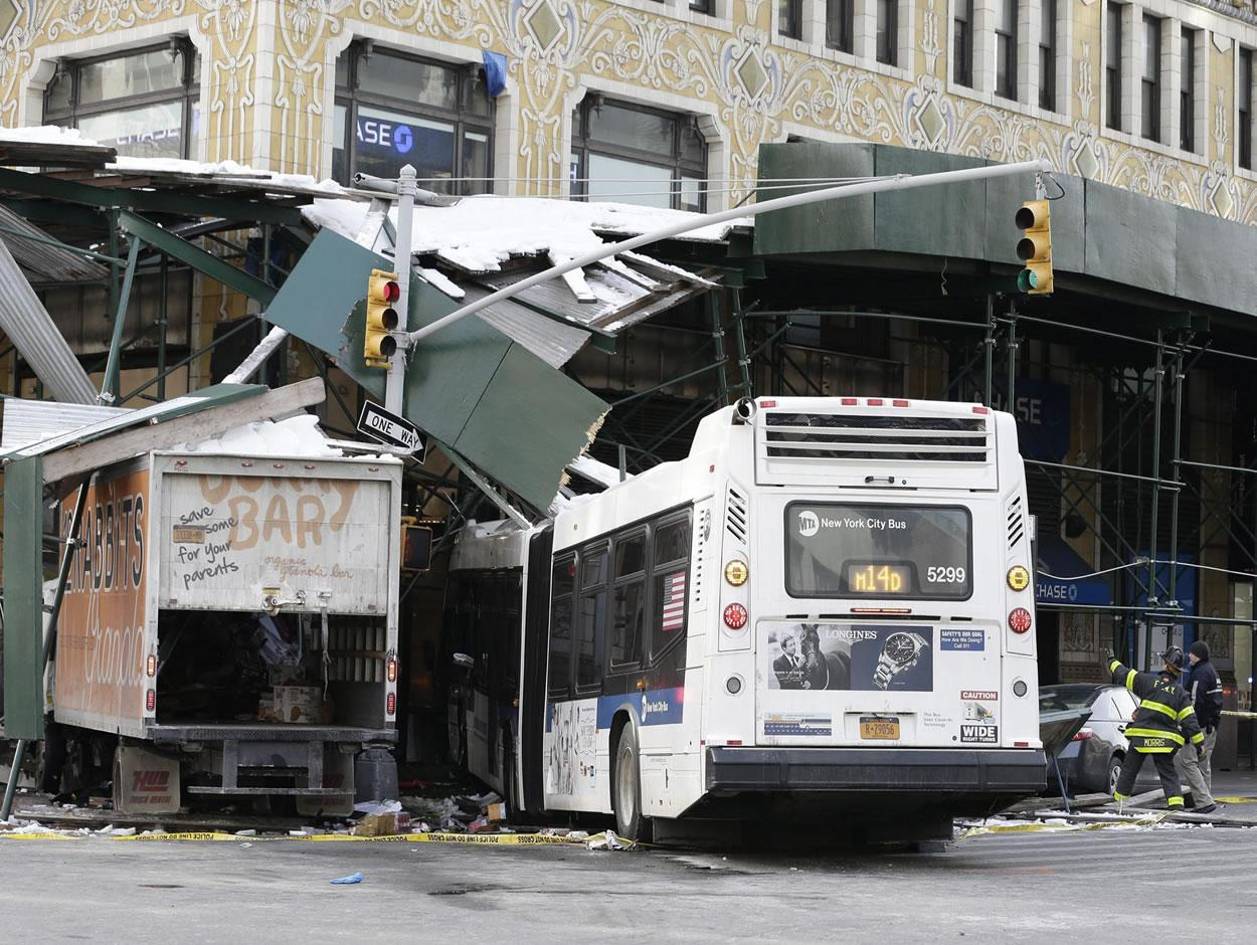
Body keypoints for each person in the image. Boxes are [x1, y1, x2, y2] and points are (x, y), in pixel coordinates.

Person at [1106, 646, 1205, 811]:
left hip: (1140, 738)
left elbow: (1123, 673)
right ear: (1179, 672)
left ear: (1165, 664)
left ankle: (1119, 806)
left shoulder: (1146, 682)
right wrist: (1200, 745)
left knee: (1128, 772)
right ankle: (1176, 808)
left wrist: (1111, 661)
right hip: (1164, 742)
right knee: (1168, 774)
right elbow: (1190, 721)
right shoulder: (1180, 693)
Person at [1175, 640, 1224, 813]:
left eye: (1192, 653)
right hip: (1211, 726)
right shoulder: (1211, 671)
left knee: (1188, 761)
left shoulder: (1200, 674)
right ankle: (1206, 799)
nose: (1189, 655)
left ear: (1199, 655)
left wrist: (1189, 727)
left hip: (1200, 727)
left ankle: (1203, 801)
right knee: (1203, 762)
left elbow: (1194, 703)